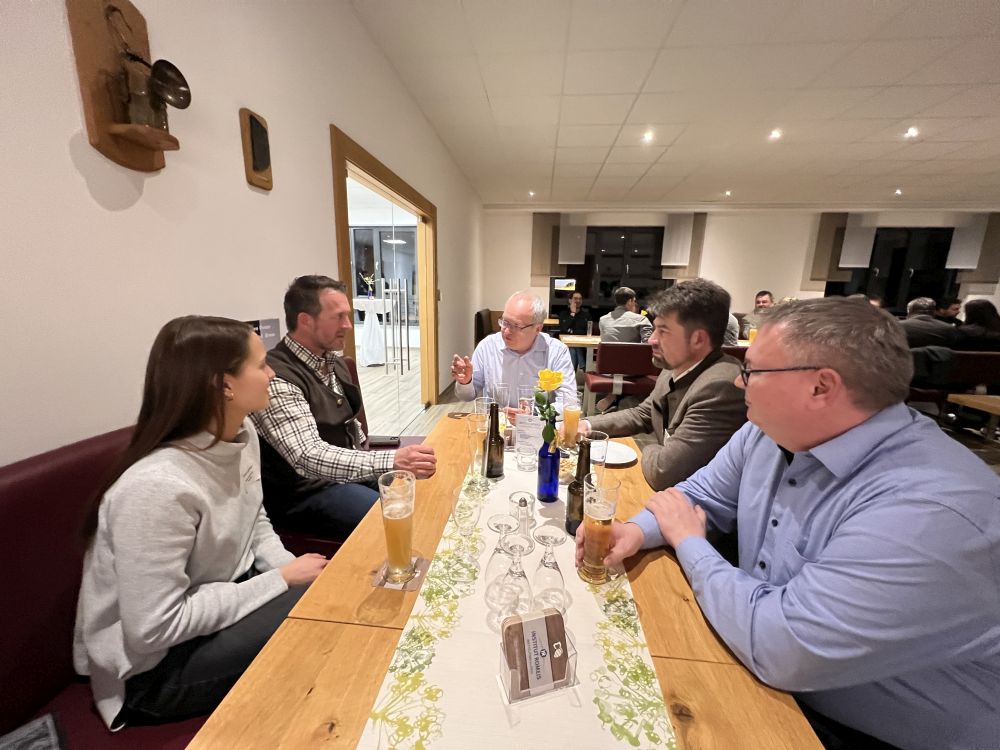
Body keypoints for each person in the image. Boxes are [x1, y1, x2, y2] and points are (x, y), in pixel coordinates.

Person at [576, 298, 1000, 750]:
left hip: (864, 731)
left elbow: (781, 646)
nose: (738, 382)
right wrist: (635, 531)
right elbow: (696, 496)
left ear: (821, 387)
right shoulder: (769, 431)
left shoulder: (929, 509)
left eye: (752, 371)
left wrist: (691, 543)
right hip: (769, 679)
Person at [75, 316, 329, 729]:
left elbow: (254, 518)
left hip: (220, 606)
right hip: (154, 670)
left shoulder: (242, 433)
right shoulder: (156, 488)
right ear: (224, 385)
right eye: (261, 364)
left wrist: (289, 568)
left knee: (327, 593)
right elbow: (153, 629)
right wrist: (280, 581)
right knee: (320, 618)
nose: (272, 374)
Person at [252, 276, 436, 538]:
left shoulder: (333, 362)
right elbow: (307, 456)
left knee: (422, 496)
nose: (348, 325)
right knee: (396, 517)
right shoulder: (277, 378)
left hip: (344, 473)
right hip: (306, 492)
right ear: (305, 320)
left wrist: (375, 457)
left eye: (347, 316)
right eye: (338, 317)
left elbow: (350, 423)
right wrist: (392, 459)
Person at [578, 279, 746, 491]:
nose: (652, 340)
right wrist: (587, 425)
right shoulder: (674, 365)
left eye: (663, 331)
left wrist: (649, 448)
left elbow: (663, 472)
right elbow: (644, 414)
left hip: (694, 504)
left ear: (698, 339)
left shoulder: (721, 387)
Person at [452, 290, 576, 415]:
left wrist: (534, 414)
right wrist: (465, 382)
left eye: (516, 326)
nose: (506, 331)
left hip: (537, 424)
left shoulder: (556, 352)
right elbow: (466, 396)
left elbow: (568, 402)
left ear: (537, 328)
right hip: (496, 423)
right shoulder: (487, 347)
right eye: (504, 322)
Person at [559, 290, 592, 371]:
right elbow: (564, 329)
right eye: (575, 298)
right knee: (573, 349)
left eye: (580, 299)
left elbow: (588, 332)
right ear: (570, 300)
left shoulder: (586, 315)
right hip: (567, 344)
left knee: (574, 349)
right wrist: (572, 313)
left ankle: (572, 373)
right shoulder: (563, 314)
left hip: (583, 343)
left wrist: (572, 332)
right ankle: (583, 365)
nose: (578, 301)